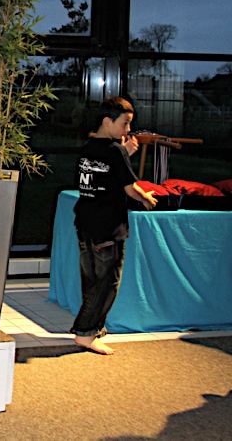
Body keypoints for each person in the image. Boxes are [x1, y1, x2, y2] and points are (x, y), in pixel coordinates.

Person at [71, 97, 156, 355]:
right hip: (108, 226)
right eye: (125, 123)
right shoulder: (115, 151)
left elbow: (105, 171)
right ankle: (85, 332)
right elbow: (130, 189)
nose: (128, 129)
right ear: (108, 121)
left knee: (92, 280)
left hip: (86, 223)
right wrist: (147, 198)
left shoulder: (89, 147)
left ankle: (92, 329)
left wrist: (125, 152)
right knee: (107, 282)